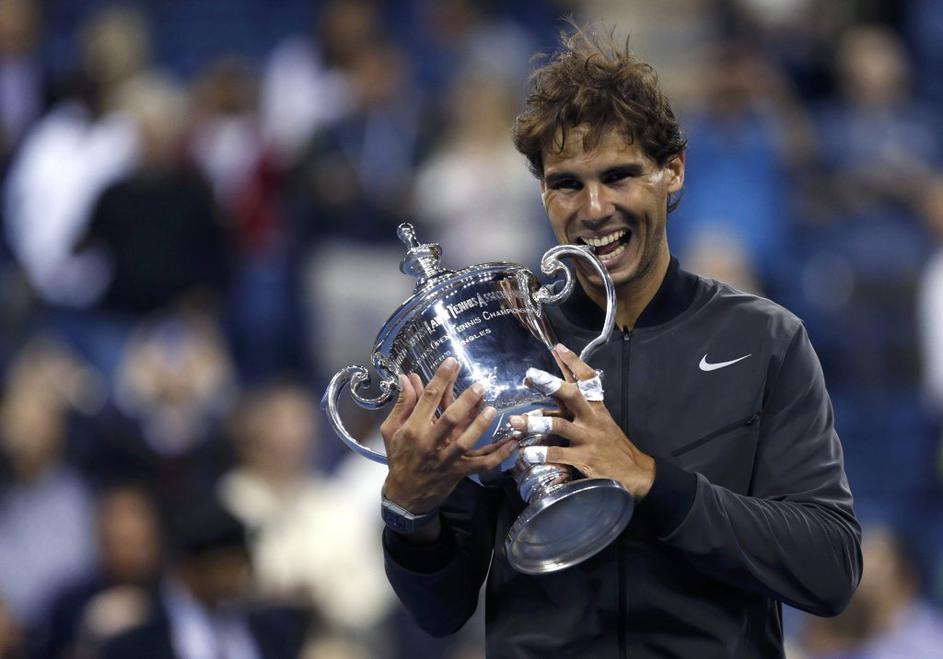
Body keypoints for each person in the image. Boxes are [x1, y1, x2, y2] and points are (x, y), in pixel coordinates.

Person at [377, 26, 862, 658]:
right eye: (567, 183)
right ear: (543, 193)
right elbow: (440, 612)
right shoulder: (498, 341)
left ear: (673, 171)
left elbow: (829, 568)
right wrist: (411, 514)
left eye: (619, 176)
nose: (595, 208)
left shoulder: (766, 337)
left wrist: (649, 479)